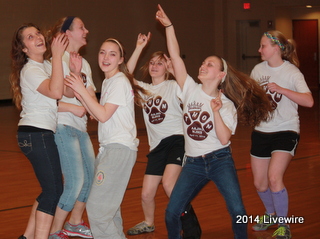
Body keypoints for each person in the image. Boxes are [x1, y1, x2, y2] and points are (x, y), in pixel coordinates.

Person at [155, 4, 272, 239]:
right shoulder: (189, 89)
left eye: (210, 64)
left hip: (220, 161)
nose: (203, 65)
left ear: (220, 75)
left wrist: (216, 112)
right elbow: (175, 56)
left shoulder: (227, 105)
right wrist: (169, 26)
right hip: (193, 164)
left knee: (237, 210)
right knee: (171, 212)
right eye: (203, 62)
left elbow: (224, 138)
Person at [64, 38, 147, 239]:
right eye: (102, 52)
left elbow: (102, 115)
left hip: (118, 150)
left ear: (120, 60)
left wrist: (80, 87)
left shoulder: (118, 81)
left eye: (112, 53)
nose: (106, 57)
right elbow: (94, 108)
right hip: (110, 149)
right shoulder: (111, 81)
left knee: (98, 210)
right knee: (110, 209)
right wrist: (76, 75)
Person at [126, 33, 200, 237]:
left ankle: (191, 225)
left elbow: (186, 83)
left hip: (177, 140)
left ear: (166, 67)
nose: (155, 66)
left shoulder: (173, 86)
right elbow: (125, 75)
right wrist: (139, 47)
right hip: (156, 146)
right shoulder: (145, 89)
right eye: (152, 62)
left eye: (160, 63)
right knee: (146, 193)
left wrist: (173, 68)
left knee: (169, 183)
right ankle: (149, 223)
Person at [250, 30, 314, 239]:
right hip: (261, 131)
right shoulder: (257, 70)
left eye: (263, 46)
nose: (259, 50)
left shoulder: (292, 72)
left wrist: (283, 90)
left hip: (286, 130)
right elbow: (251, 99)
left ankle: (283, 225)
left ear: (276, 48)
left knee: (274, 177)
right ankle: (270, 214)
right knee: (260, 183)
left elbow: (309, 101)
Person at [10, 23, 68, 239]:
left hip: (37, 134)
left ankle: (26, 237)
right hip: (37, 134)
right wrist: (59, 54)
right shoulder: (32, 70)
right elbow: (55, 91)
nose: (37, 37)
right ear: (24, 49)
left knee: (48, 190)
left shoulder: (44, 66)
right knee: (54, 191)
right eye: (29, 37)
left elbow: (63, 90)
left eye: (37, 33)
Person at [45, 16, 97, 239]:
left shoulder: (83, 62)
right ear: (68, 34)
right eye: (81, 28)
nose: (86, 31)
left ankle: (74, 222)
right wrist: (76, 106)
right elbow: (58, 96)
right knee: (75, 181)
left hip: (81, 127)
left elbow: (91, 93)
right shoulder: (56, 60)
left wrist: (91, 106)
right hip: (63, 126)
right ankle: (54, 231)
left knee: (90, 177)